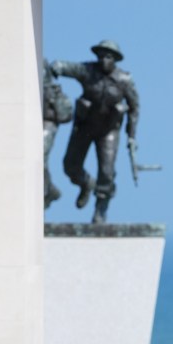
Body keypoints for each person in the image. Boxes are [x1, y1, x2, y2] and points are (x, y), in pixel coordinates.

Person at [50, 40, 139, 224]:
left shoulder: (124, 80)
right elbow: (67, 67)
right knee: (70, 165)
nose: (103, 60)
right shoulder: (88, 71)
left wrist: (131, 136)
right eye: (100, 56)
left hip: (108, 130)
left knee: (106, 172)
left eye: (108, 56)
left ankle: (101, 210)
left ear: (115, 59)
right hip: (85, 126)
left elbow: (134, 108)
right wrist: (57, 67)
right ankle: (86, 183)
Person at [42, 59, 73, 209]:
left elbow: (65, 116)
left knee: (38, 155)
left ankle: (44, 192)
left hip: (47, 123)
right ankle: (49, 189)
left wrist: (54, 97)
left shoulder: (53, 89)